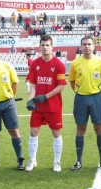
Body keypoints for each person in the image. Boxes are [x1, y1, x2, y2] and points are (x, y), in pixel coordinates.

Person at [25, 34, 67, 172]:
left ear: (52, 47)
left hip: (53, 106)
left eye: (47, 45)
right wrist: (31, 98)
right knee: (33, 131)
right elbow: (33, 83)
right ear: (39, 46)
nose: (45, 47)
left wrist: (46, 96)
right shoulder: (35, 64)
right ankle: (32, 161)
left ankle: (57, 162)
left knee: (56, 133)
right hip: (38, 106)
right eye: (42, 45)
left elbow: (61, 85)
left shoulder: (59, 65)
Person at [69, 36, 101, 171]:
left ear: (93, 47)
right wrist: (80, 91)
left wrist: (96, 91)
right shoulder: (75, 63)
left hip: (96, 98)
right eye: (84, 44)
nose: (87, 46)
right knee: (81, 129)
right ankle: (79, 161)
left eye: (89, 44)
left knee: (99, 128)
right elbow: (72, 81)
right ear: (81, 47)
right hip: (81, 99)